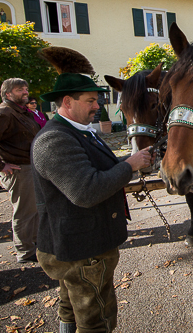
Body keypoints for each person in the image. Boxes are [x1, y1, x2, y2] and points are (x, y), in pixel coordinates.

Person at [31, 52, 153, 333]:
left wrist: (133, 162)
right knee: (97, 316)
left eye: (97, 100)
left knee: (70, 302)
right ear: (67, 102)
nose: (98, 106)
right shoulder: (54, 139)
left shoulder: (81, 131)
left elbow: (98, 168)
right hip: (81, 248)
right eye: (91, 101)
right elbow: (86, 190)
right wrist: (130, 165)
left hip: (80, 244)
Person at [0, 78, 41, 262]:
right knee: (24, 212)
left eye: (26, 89)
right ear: (8, 94)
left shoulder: (21, 112)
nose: (26, 92)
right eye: (20, 89)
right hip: (19, 170)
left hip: (30, 167)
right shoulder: (5, 112)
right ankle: (25, 252)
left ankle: (34, 245)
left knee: (34, 210)